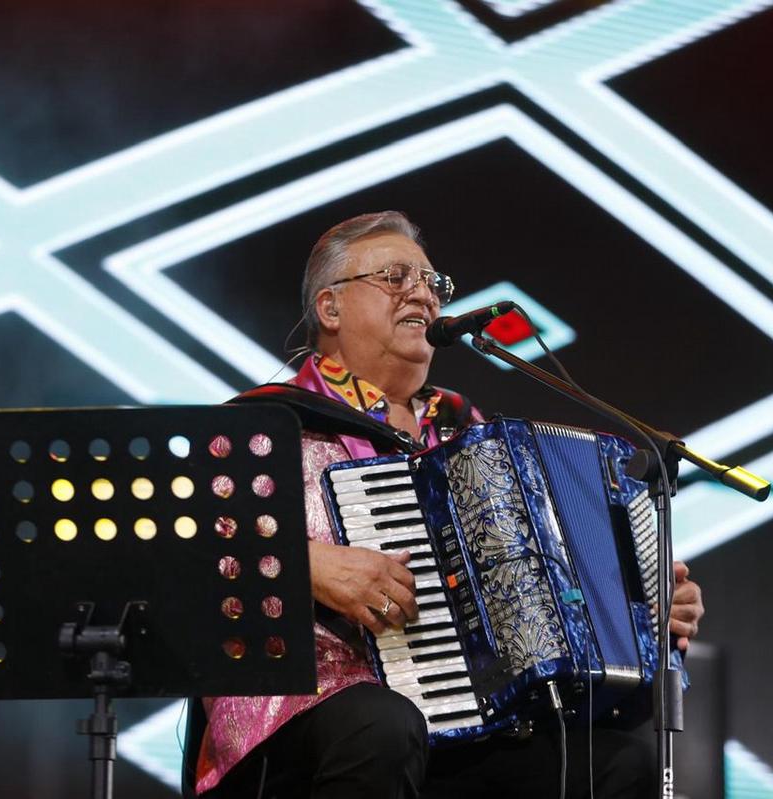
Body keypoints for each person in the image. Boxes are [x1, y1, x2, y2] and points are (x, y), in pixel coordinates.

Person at [191, 211, 705, 798]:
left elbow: (539, 593)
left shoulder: (466, 434)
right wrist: (306, 564)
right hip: (303, 713)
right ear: (330, 309)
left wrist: (642, 609)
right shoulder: (264, 425)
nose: (421, 293)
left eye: (431, 283)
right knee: (383, 726)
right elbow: (191, 552)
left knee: (618, 767)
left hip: (458, 721)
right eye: (393, 277)